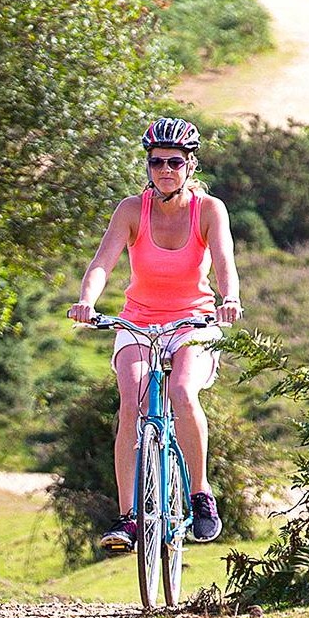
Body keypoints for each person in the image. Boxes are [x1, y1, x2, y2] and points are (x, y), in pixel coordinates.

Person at [68, 117, 243, 552]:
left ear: (190, 165)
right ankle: (129, 518)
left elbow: (224, 261)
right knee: (132, 401)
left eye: (175, 162)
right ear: (147, 165)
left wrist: (230, 298)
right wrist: (87, 300)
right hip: (138, 321)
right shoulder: (131, 209)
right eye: (156, 161)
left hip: (194, 321)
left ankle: (201, 494)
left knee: (183, 392)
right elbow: (102, 263)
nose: (165, 169)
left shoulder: (208, 209)